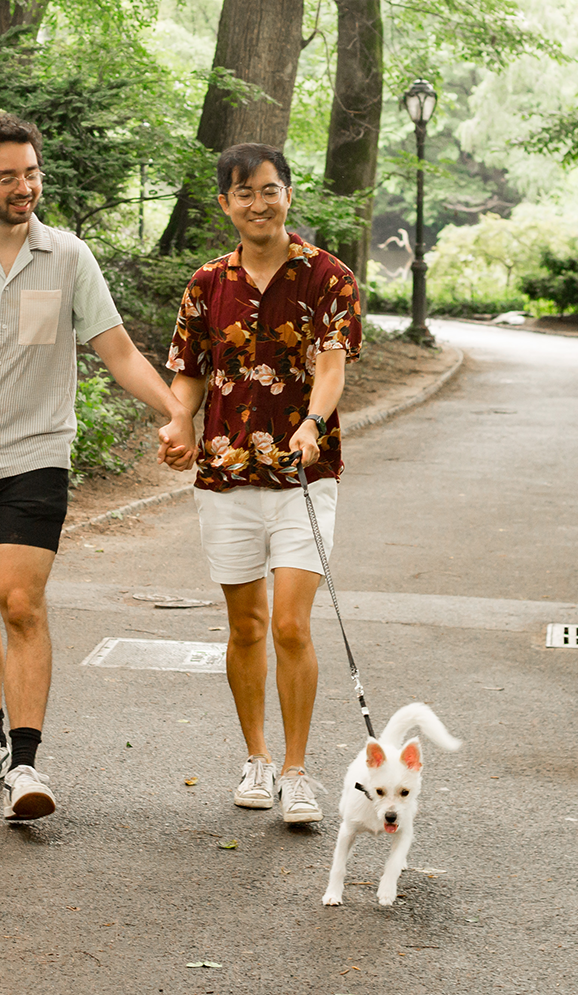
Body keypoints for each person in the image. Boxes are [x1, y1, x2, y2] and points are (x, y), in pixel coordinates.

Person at [0, 111, 196, 822]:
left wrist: (175, 413)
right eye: (8, 176)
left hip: (36, 454)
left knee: (21, 602)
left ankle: (25, 763)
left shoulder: (70, 257)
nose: (26, 187)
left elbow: (116, 349)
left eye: (32, 172)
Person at [164, 142, 362, 824]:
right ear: (225, 203)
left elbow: (332, 366)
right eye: (244, 192)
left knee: (289, 623)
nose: (258, 203)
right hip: (224, 475)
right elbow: (188, 371)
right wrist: (177, 425)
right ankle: (256, 758)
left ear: (288, 195)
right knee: (245, 626)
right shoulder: (205, 284)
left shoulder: (328, 278)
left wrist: (312, 422)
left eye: (269, 190)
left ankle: (298, 770)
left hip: (305, 477)